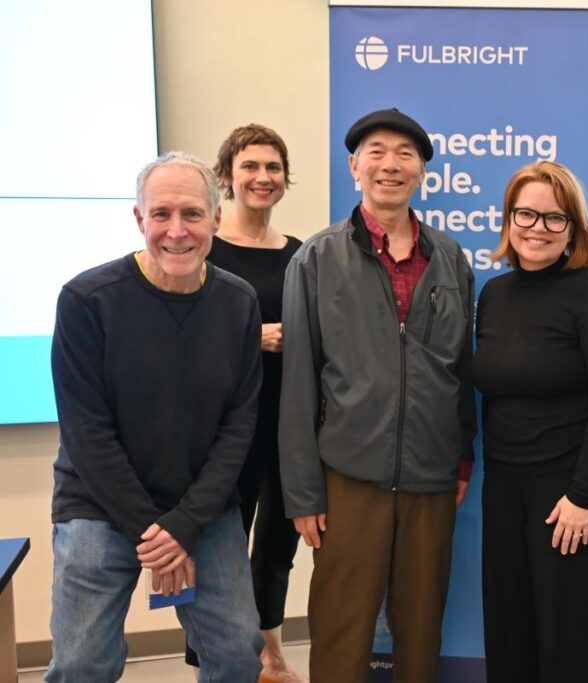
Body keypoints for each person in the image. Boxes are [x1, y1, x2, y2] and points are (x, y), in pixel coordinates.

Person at [46, 152, 264, 682]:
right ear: (139, 219)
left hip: (202, 509)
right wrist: (155, 533)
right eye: (161, 214)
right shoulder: (86, 300)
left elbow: (238, 428)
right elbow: (87, 432)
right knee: (81, 666)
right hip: (99, 505)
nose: (176, 231)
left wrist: (185, 524)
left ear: (216, 218)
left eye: (192, 214)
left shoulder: (239, 303)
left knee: (238, 655)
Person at [278, 108, 476, 683]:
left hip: (432, 473)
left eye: (405, 155)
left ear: (421, 173)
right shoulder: (316, 258)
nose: (390, 164)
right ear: (354, 166)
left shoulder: (450, 258)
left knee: (420, 628)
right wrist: (302, 493)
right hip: (347, 477)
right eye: (377, 152)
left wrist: (462, 455)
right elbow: (297, 385)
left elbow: (459, 371)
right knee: (342, 627)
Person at [472, 160, 588, 683]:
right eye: (526, 214)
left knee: (571, 646)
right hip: (504, 489)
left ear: (573, 230)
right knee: (509, 631)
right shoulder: (494, 295)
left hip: (572, 494)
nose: (537, 228)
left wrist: (583, 496)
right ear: (507, 219)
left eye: (554, 218)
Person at [181, 124, 303, 682]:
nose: (262, 177)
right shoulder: (202, 248)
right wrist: (251, 338)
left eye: (273, 167)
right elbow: (178, 334)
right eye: (250, 166)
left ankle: (269, 650)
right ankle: (213, 655)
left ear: (284, 179)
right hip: (224, 426)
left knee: (278, 544)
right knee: (220, 544)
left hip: (288, 420)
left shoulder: (302, 255)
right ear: (226, 176)